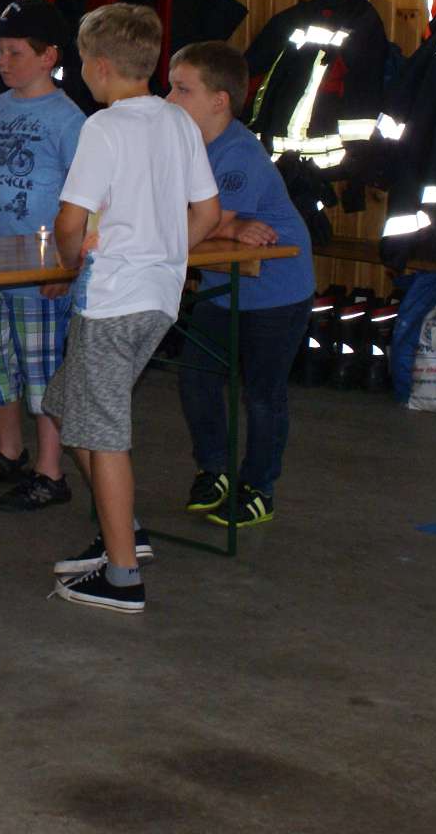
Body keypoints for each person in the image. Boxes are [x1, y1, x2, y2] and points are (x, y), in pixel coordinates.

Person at [44, 6, 220, 614]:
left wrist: (70, 262)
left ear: (98, 66)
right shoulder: (178, 122)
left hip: (112, 299)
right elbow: (207, 213)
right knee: (64, 404)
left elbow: (70, 220)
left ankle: (122, 575)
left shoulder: (104, 127)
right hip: (159, 298)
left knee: (102, 433)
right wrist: (163, 254)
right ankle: (126, 532)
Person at [165, 41, 314, 527]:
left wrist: (220, 224)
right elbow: (195, 218)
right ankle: (215, 469)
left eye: (182, 89)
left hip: (275, 289)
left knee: (262, 394)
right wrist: (227, 227)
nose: (169, 99)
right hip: (222, 283)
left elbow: (200, 221)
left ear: (219, 101)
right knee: (197, 376)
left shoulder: (238, 152)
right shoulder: (185, 146)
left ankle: (259, 487)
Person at [0, 0, 85, 511]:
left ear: (49, 56)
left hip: (40, 268)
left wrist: (68, 267)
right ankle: (9, 450)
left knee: (41, 370)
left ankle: (50, 470)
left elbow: (85, 199)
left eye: (15, 52)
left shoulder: (69, 120)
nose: (3, 62)